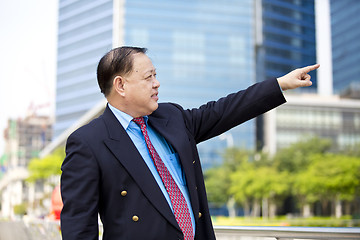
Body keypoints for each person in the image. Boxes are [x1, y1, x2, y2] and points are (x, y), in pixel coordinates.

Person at [60, 46, 319, 240]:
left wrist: (279, 84)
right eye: (148, 77)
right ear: (121, 85)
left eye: (155, 75)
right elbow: (79, 228)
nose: (156, 83)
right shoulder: (88, 142)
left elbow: (224, 111)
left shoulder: (171, 116)